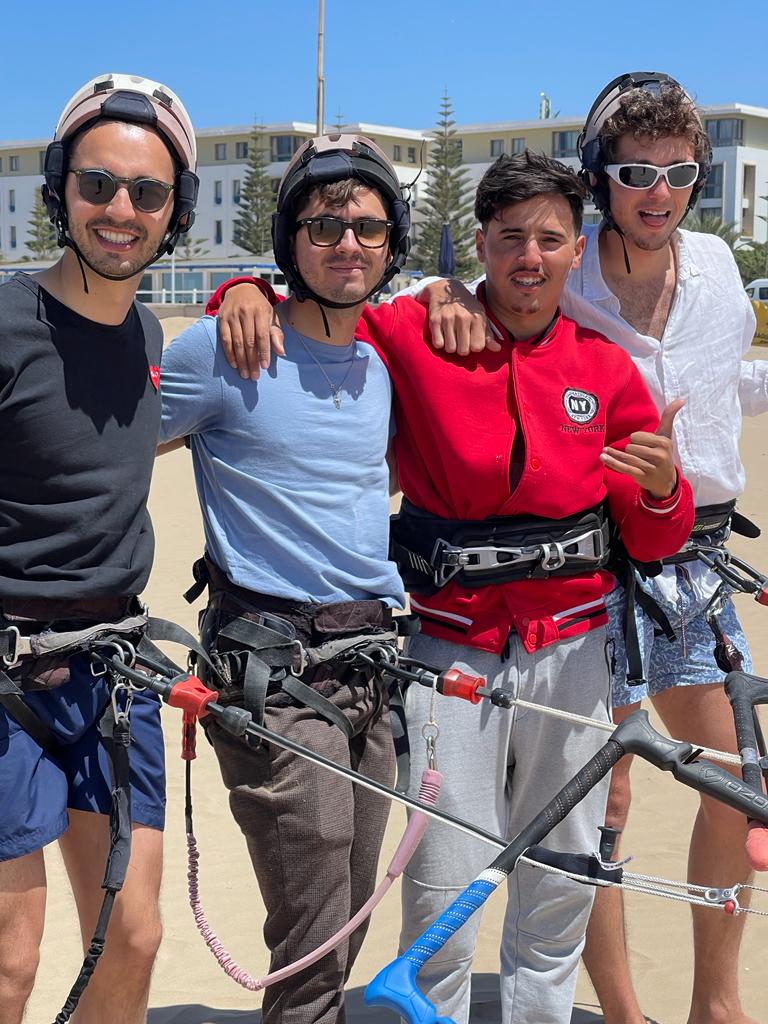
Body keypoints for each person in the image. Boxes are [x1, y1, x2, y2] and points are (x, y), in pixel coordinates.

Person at [205, 148, 695, 1024]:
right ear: (480, 243)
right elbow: (321, 299)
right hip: (446, 653)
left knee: (560, 876)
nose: (530, 258)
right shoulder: (419, 335)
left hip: (575, 655)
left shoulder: (607, 368)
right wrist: (238, 290)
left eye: (550, 238)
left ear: (576, 249)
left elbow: (654, 538)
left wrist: (662, 490)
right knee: (441, 884)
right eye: (510, 237)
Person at [381, 72, 766, 1024]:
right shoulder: (485, 302)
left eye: (680, 173)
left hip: (638, 594)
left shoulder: (682, 300)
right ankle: (591, 1011)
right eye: (636, 171)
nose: (659, 190)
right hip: (503, 609)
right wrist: (433, 287)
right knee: (516, 841)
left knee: (670, 813)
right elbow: (343, 305)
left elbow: (695, 450)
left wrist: (669, 483)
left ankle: (693, 1002)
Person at [158, 134, 410, 1024]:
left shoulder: (385, 363)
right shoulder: (221, 352)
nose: (349, 244)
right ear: (289, 240)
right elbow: (101, 450)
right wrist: (235, 297)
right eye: (325, 225)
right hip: (271, 670)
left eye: (369, 228)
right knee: (309, 928)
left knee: (345, 908)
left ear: (394, 242)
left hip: (374, 664)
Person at [0, 74, 199, 1023]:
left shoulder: (153, 335)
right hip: (6, 672)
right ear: (60, 190)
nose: (121, 210)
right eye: (97, 185)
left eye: (148, 193)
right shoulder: (4, 324)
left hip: (114, 670)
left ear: (176, 211)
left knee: (133, 936)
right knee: (10, 957)